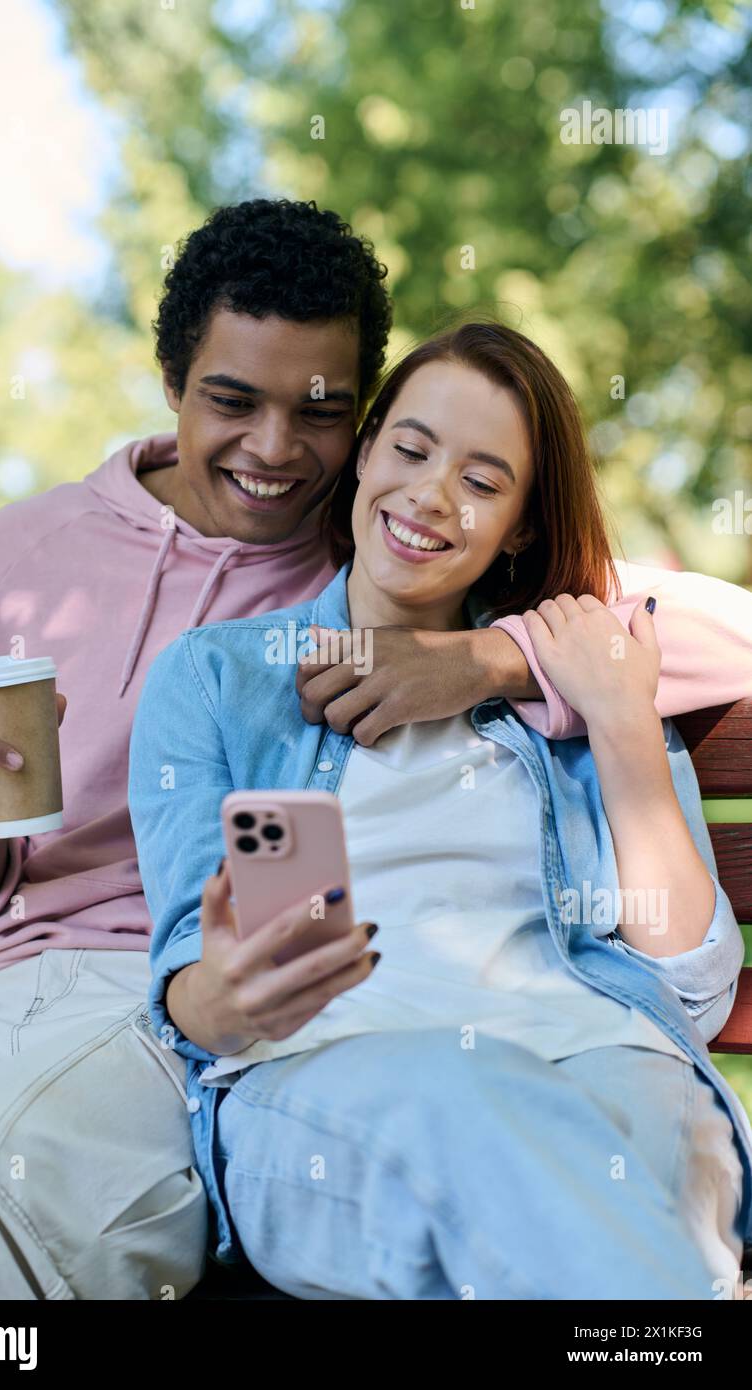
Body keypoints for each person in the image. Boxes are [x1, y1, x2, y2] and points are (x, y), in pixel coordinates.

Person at [0, 199, 751, 1300]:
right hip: (31, 992)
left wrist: (487, 660)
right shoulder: (45, 567)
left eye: (319, 414)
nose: (273, 450)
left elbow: (664, 627)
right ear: (170, 381)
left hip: (179, 1003)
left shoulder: (437, 590)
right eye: (231, 401)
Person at [130, 320, 752, 1301]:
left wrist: (610, 713)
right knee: (472, 1114)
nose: (428, 494)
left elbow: (691, 992)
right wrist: (225, 998)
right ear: (366, 449)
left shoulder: (583, 669)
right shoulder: (219, 679)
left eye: (481, 479)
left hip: (604, 1061)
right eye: (411, 450)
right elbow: (187, 987)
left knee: (619, 1145)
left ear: (522, 526)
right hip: (339, 1080)